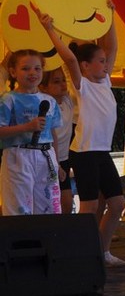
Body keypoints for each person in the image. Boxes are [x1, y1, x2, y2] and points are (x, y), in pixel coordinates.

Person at [42, 5, 125, 266]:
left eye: (105, 61)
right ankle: (78, 253)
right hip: (85, 153)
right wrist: (49, 29)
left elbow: (112, 48)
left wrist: (112, 16)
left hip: (101, 153)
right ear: (85, 66)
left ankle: (101, 252)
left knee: (117, 205)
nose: (106, 64)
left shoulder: (105, 82)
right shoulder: (84, 85)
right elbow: (69, 58)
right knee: (89, 208)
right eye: (100, 62)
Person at [0, 49, 62, 215]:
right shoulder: (8, 99)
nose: (32, 73)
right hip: (18, 155)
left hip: (46, 156)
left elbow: (52, 134)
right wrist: (26, 127)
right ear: (13, 72)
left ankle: (46, 240)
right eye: (25, 68)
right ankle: (20, 240)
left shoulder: (49, 101)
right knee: (19, 208)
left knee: (49, 207)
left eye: (37, 68)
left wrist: (58, 161)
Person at [39, 67, 75, 214]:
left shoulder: (67, 101)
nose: (63, 85)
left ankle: (64, 232)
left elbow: (70, 70)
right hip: (47, 159)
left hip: (63, 158)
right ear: (43, 87)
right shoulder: (43, 106)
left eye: (63, 81)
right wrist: (56, 163)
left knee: (67, 199)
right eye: (56, 82)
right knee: (47, 201)